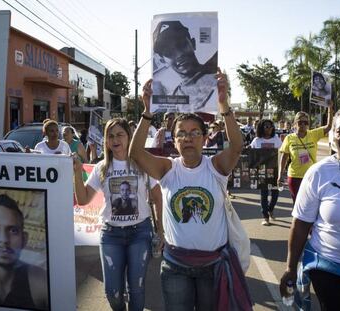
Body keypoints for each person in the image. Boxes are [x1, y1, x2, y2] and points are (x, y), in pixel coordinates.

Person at [129, 70, 252, 310]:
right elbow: (135, 153)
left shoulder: (216, 167)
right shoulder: (167, 169)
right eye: (181, 134)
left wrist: (223, 104)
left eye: (195, 133)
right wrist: (147, 112)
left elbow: (237, 146)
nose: (188, 138)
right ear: (173, 141)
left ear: (205, 139)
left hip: (212, 265)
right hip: (175, 266)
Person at [73, 117, 163, 311]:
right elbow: (82, 200)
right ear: (105, 141)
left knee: (136, 289)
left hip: (140, 233)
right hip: (111, 235)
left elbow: (157, 197)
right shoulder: (101, 168)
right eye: (110, 136)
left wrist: (161, 231)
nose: (115, 139)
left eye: (120, 134)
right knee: (112, 292)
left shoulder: (142, 164)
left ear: (129, 137)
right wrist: (77, 174)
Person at [280, 107, 340, 310]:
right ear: (333, 135)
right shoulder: (319, 172)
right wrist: (290, 268)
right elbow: (301, 224)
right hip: (330, 266)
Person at [152, 21, 218, 111]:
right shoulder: (174, 100)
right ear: (162, 60)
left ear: (193, 43)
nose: (179, 54)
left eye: (181, 45)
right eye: (168, 52)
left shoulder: (216, 79)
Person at [278, 104, 333, 204]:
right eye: (300, 122)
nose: (303, 124)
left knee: (311, 203)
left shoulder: (313, 134)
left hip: (311, 176)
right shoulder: (289, 138)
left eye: (305, 122)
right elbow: (284, 157)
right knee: (297, 203)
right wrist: (280, 174)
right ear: (295, 123)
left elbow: (329, 126)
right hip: (294, 177)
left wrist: (329, 109)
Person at [250, 119, 282, 226]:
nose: (269, 128)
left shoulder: (277, 140)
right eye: (266, 126)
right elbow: (251, 156)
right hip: (262, 171)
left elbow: (282, 155)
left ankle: (270, 209)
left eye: (271, 126)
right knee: (264, 194)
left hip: (275, 171)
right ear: (261, 128)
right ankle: (265, 216)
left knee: (275, 194)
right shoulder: (256, 141)